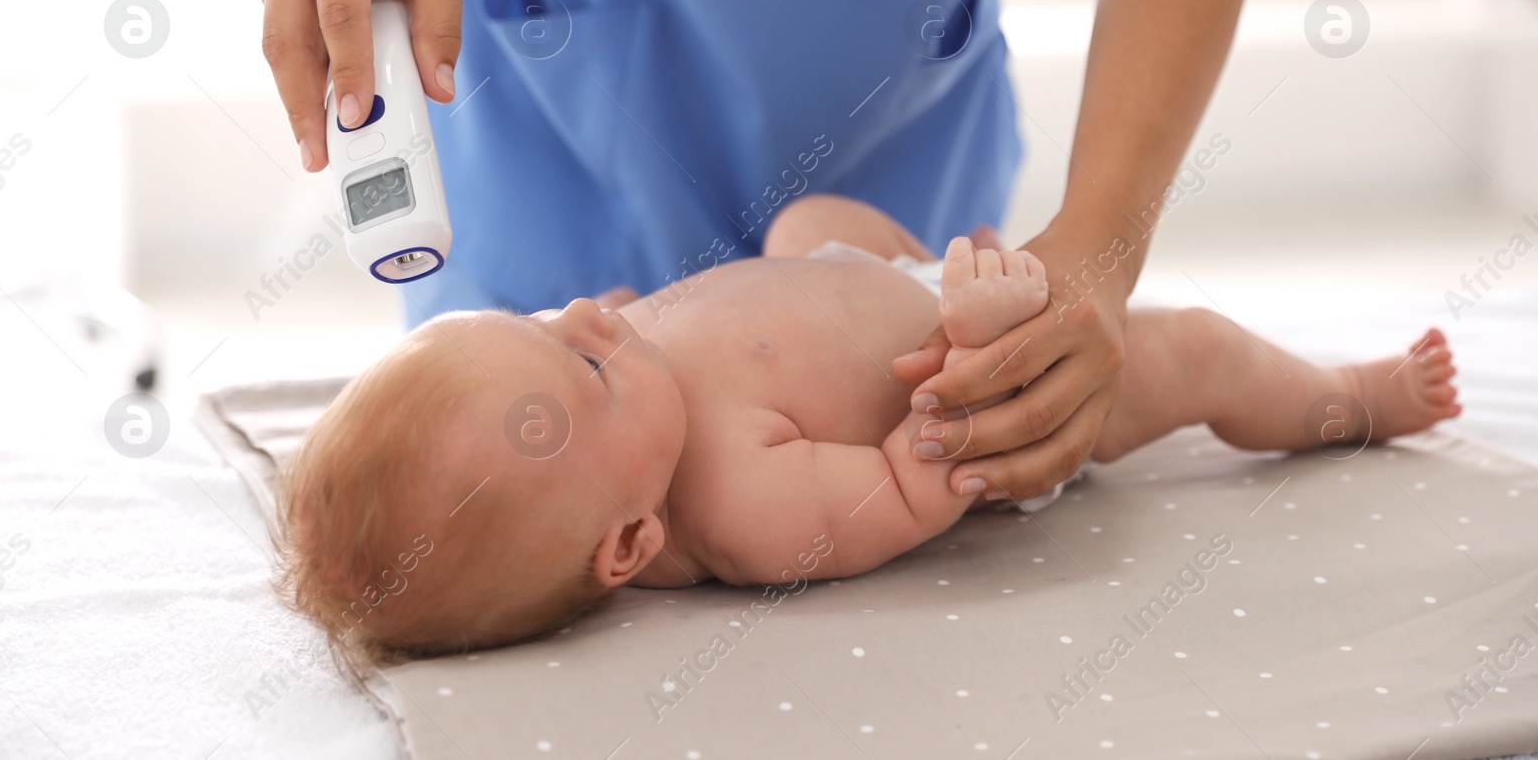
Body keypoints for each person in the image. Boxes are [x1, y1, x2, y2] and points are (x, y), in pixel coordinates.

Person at [253, 0, 1278, 509]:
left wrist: (1097, 248)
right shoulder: (562, 343)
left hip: (887, 203)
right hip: (555, 170)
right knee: (499, 534)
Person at [274, 195, 1459, 664]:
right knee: (1191, 346)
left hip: (867, 275)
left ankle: (891, 250)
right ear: (629, 542)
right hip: (1004, 382)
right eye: (581, 358)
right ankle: (1350, 398)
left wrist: (619, 345)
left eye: (541, 321)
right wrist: (969, 344)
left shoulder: (630, 417)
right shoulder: (741, 504)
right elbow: (914, 481)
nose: (589, 309)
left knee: (804, 218)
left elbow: (671, 319)